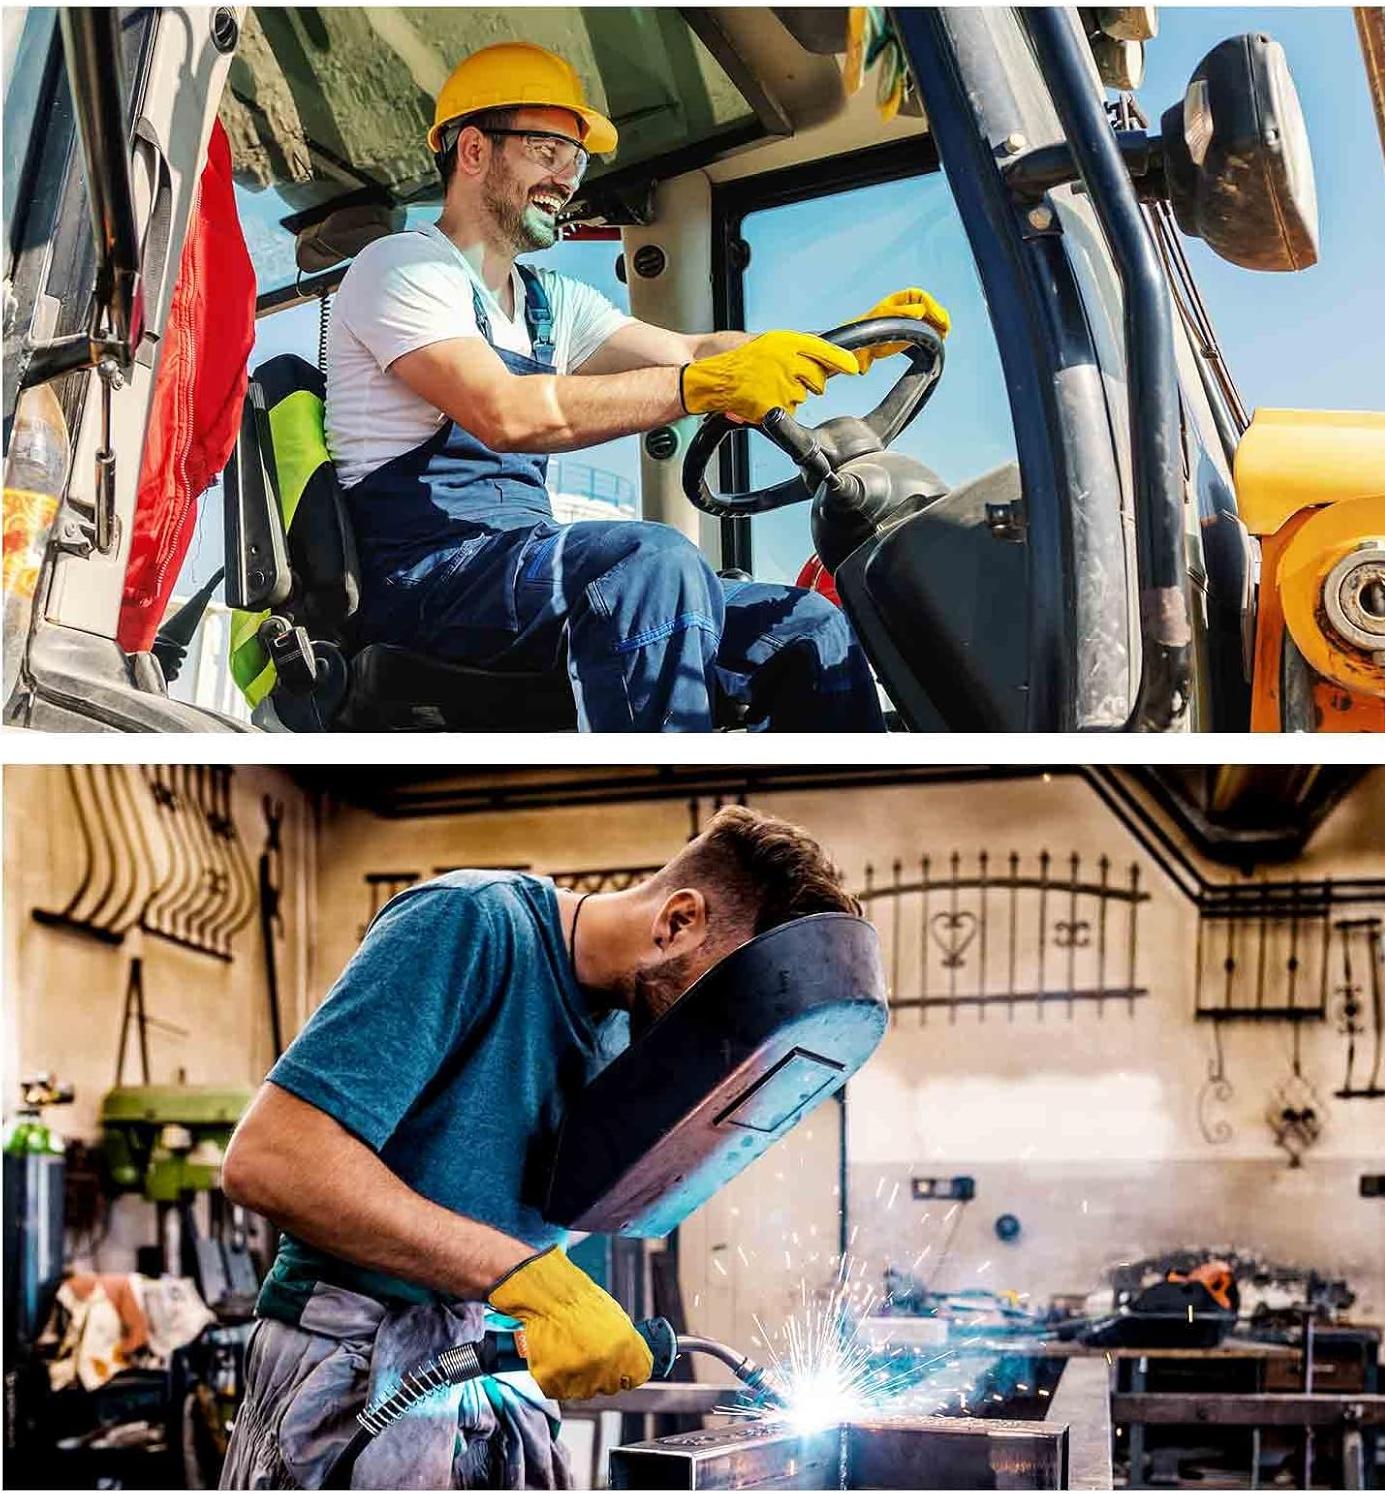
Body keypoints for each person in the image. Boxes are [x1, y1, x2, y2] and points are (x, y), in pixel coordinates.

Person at [218, 806, 860, 1488]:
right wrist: (522, 1278)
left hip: (487, 1378)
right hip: (349, 1374)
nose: (713, 1043)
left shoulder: (629, 1038)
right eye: (718, 1011)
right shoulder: (470, 925)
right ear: (678, 922)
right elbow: (272, 1160)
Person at [324, 41, 949, 731]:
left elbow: (697, 348)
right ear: (473, 150)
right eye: (547, 151)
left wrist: (838, 346)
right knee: (650, 563)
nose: (567, 179)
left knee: (805, 626)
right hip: (425, 579)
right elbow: (502, 411)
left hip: (515, 566)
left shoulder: (548, 301)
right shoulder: (404, 269)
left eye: (575, 159)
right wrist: (701, 387)